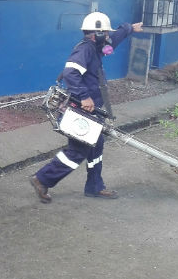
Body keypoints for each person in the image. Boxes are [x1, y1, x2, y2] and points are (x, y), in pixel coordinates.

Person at [30, 12, 143, 204]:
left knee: (96, 147)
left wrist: (129, 28)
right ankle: (42, 179)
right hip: (82, 110)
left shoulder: (97, 47)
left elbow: (112, 42)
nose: (108, 37)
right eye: (105, 33)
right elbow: (70, 73)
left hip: (91, 111)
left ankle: (94, 187)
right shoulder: (85, 50)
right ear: (96, 34)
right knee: (77, 151)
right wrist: (84, 97)